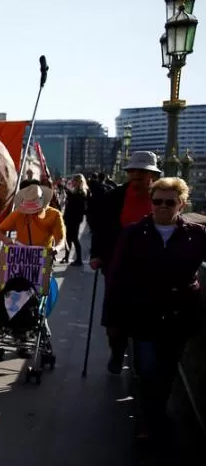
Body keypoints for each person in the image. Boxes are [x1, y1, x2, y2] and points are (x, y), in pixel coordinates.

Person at [106, 177, 206, 439]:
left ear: (181, 204)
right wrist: (113, 318)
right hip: (144, 314)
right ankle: (148, 421)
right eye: (157, 201)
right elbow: (116, 277)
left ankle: (156, 413)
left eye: (169, 202)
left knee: (168, 370)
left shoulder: (196, 235)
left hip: (179, 315)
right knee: (147, 369)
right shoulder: (133, 234)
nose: (162, 206)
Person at [89, 152, 159, 374]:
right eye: (134, 171)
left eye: (143, 172)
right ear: (128, 173)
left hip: (151, 268)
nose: (137, 176)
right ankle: (117, 353)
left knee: (144, 319)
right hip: (117, 264)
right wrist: (96, 254)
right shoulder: (114, 197)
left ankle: (142, 364)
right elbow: (100, 228)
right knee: (115, 319)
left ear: (152, 175)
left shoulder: (162, 197)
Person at [0, 179, 66, 249]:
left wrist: (56, 248)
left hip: (43, 255)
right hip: (20, 255)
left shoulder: (54, 214)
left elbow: (61, 239)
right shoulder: (18, 213)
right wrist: (6, 240)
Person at [60, 174, 89, 265]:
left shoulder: (81, 192)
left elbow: (75, 203)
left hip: (74, 219)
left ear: (78, 182)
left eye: (74, 181)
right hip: (70, 218)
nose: (72, 182)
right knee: (68, 238)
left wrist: (66, 190)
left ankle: (79, 259)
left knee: (74, 239)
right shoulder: (76, 192)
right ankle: (67, 257)